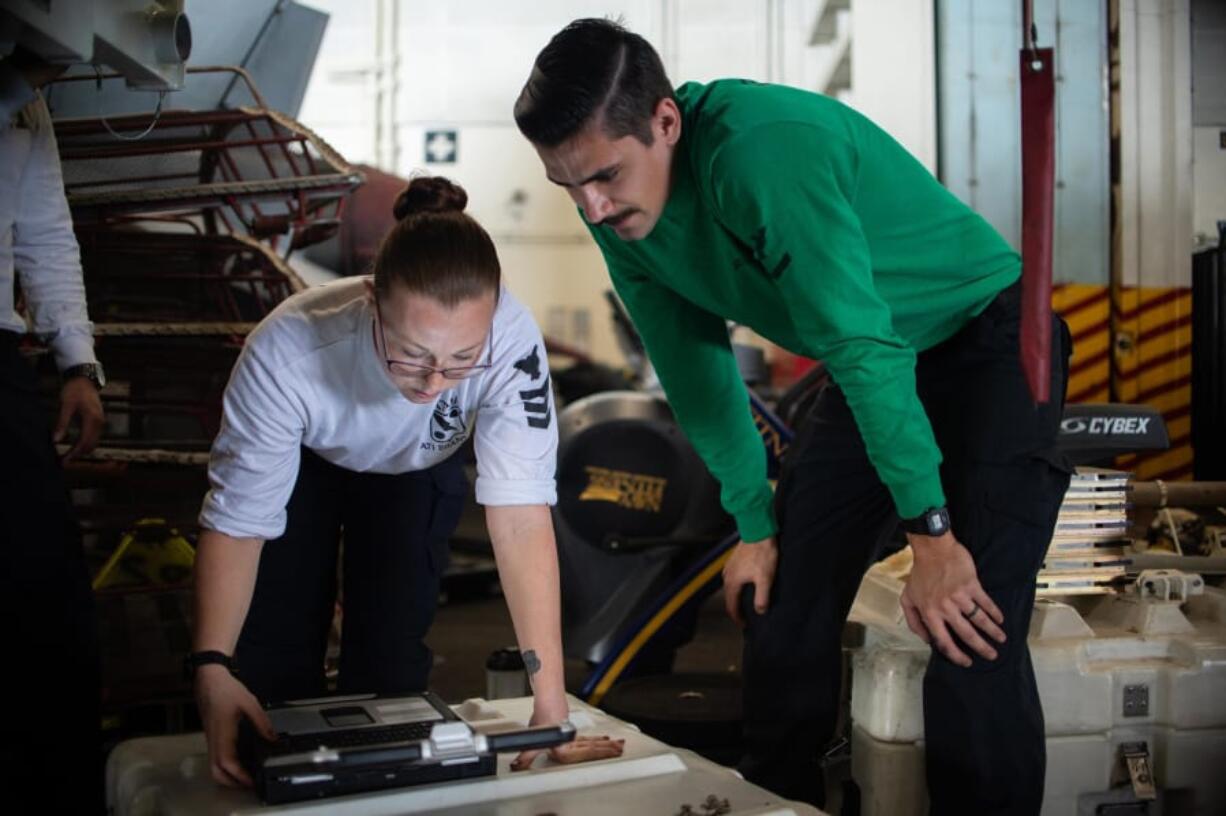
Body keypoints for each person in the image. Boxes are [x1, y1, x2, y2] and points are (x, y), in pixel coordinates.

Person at [515, 19, 1072, 814]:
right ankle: (776, 804)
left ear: (666, 122)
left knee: (967, 626)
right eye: (568, 186)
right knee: (781, 599)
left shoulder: (763, 152)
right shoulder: (613, 212)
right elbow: (694, 366)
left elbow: (860, 343)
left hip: (986, 335)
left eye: (605, 175)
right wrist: (751, 523)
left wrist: (933, 536)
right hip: (873, 355)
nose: (593, 207)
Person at [190, 176, 622, 786]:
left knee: (391, 668)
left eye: (460, 360)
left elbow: (521, 518)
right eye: (412, 353)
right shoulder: (287, 351)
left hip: (416, 468)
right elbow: (238, 520)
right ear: (372, 301)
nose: (433, 383)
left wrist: (550, 703)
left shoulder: (512, 343)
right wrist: (211, 666)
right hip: (305, 466)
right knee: (273, 669)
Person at [0, 50, 106, 813]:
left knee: (46, 590)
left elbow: (43, 229)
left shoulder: (27, 110)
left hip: (1, 359)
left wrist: (78, 361)